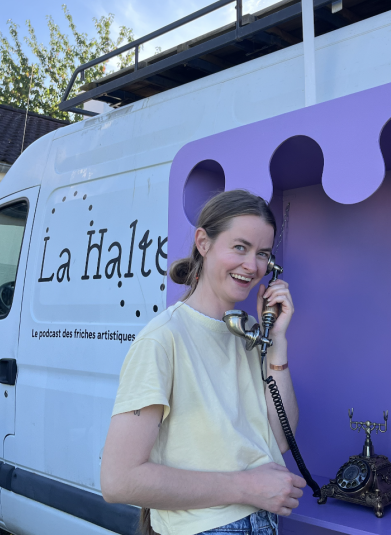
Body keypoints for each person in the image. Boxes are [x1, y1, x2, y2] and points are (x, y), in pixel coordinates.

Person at [100, 190, 306, 535]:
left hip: (261, 522)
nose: (252, 266)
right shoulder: (162, 340)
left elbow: (280, 440)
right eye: (239, 247)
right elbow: (118, 480)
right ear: (203, 243)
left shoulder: (249, 333)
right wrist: (247, 487)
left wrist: (277, 342)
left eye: (262, 254)